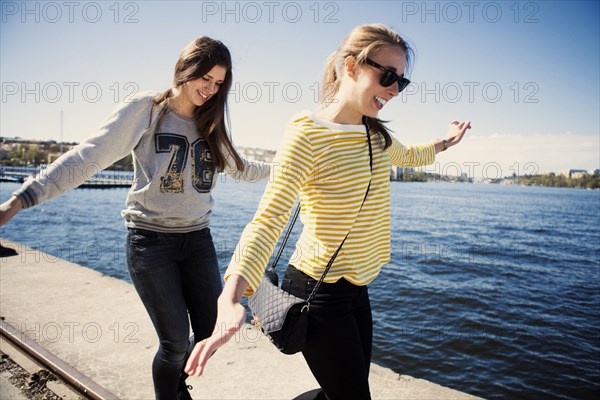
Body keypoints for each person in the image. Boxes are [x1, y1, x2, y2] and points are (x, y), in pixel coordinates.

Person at [183, 24, 471, 399]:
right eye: (387, 76)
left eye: (402, 82)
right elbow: (269, 218)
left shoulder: (376, 136)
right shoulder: (308, 133)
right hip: (317, 292)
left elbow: (413, 155)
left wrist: (446, 140)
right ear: (350, 66)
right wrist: (231, 297)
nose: (394, 89)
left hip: (356, 288)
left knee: (347, 391)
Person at [0, 37, 271, 400]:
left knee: (210, 330)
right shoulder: (147, 109)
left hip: (198, 241)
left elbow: (241, 167)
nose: (210, 89)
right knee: (174, 342)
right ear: (184, 69)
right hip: (151, 244)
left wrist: (287, 168)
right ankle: (171, 393)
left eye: (219, 83)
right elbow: (88, 157)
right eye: (204, 78)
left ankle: (174, 382)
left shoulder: (212, 121)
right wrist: (19, 200)